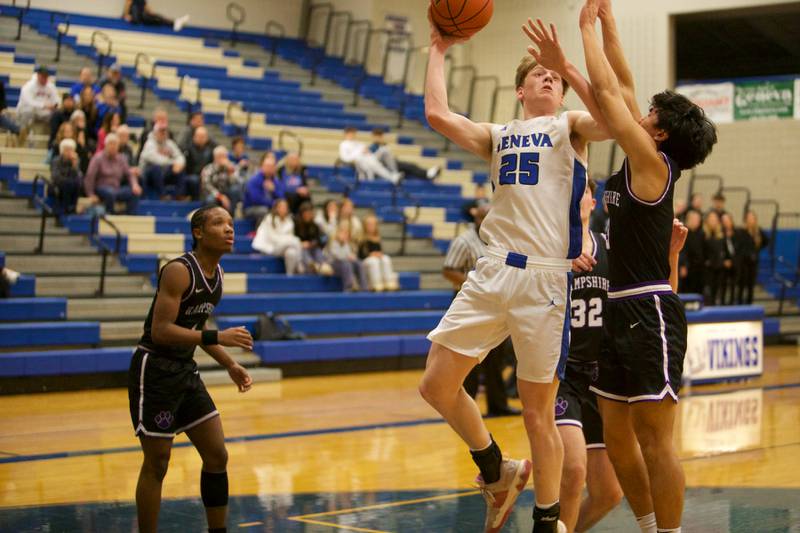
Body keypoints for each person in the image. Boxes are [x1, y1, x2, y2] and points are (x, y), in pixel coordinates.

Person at [419, 9, 609, 532]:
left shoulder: (570, 127)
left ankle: (547, 522)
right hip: (493, 267)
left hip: (545, 280)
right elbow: (437, 113)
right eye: (538, 76)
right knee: (436, 383)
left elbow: (613, 120)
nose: (547, 80)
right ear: (521, 92)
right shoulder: (498, 134)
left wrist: (567, 65)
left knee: (536, 413)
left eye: (553, 79)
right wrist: (438, 48)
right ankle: (497, 470)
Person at [579, 2, 717, 532]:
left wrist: (584, 28)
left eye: (651, 115)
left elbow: (611, 95)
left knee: (656, 441)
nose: (642, 113)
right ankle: (647, 525)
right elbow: (625, 83)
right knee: (617, 437)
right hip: (616, 310)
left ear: (658, 135)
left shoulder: (652, 165)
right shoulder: (642, 154)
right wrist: (610, 26)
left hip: (649, 308)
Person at [129, 205, 253, 533]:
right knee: (157, 463)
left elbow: (194, 328)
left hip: (185, 369)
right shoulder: (179, 270)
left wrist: (230, 363)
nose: (229, 229)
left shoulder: (218, 278)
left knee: (217, 456)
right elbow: (162, 330)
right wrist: (219, 336)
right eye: (218, 223)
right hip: (155, 368)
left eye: (230, 223)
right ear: (198, 232)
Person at [555, 179, 623, 533]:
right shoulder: (547, 251)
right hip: (562, 374)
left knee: (608, 492)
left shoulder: (610, 248)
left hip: (601, 380)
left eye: (581, 191)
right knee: (573, 470)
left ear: (592, 202)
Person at [443, 204, 519, 418]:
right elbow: (448, 270)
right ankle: (466, 406)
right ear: (477, 219)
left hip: (495, 303)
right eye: (484, 217)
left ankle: (498, 404)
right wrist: (476, 283)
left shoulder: (501, 240)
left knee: (495, 359)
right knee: (469, 358)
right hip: (470, 301)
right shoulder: (464, 241)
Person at [84, 133, 143, 215]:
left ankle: (130, 216)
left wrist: (134, 185)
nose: (113, 147)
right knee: (110, 193)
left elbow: (129, 174)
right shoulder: (97, 158)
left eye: (115, 145)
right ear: (106, 145)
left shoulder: (121, 159)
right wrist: (90, 194)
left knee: (134, 193)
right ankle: (111, 216)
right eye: (111, 144)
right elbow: (90, 176)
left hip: (116, 188)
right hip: (101, 188)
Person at [251, 199, 302, 275]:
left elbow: (290, 237)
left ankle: (290, 275)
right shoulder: (269, 219)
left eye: (285, 207)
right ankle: (300, 264)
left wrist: (287, 241)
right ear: (276, 208)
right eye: (281, 207)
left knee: (291, 252)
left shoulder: (289, 221)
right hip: (270, 248)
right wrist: (286, 241)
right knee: (295, 241)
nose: (284, 209)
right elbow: (272, 238)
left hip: (284, 248)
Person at [370, 128, 440, 181]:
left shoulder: (384, 145)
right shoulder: (372, 148)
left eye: (380, 136)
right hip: (384, 167)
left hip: (392, 164)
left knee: (411, 168)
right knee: (410, 167)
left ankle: (428, 174)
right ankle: (427, 174)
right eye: (377, 136)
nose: (379, 138)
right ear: (373, 136)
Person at [139, 123, 187, 200]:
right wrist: (173, 163)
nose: (163, 134)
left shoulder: (169, 143)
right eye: (161, 132)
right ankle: (162, 195)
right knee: (156, 168)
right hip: (148, 174)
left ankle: (179, 195)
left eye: (164, 131)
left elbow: (180, 156)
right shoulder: (149, 143)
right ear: (155, 133)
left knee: (180, 168)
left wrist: (179, 164)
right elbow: (155, 159)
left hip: (164, 172)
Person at [735, 211, 768, 305]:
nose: (751, 220)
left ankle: (749, 304)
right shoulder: (741, 231)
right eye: (749, 218)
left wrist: (758, 248)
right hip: (743, 262)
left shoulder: (758, 231)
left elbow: (766, 241)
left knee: (750, 285)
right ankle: (739, 304)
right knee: (741, 284)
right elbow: (738, 245)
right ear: (745, 220)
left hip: (753, 262)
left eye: (752, 218)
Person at [358, 215, 399, 291]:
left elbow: (380, 250)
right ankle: (376, 283)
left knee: (386, 258)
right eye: (369, 225)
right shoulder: (361, 238)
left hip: (375, 258)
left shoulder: (377, 238)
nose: (371, 227)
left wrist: (379, 254)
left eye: (373, 224)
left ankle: (389, 282)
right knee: (374, 261)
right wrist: (370, 255)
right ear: (365, 226)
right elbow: (360, 255)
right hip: (365, 260)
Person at [16, 66, 59, 133]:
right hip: (30, 111)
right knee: (27, 110)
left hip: (44, 112)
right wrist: (44, 105)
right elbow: (29, 102)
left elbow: (56, 99)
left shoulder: (51, 86)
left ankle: (53, 135)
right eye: (43, 76)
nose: (45, 79)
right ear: (38, 75)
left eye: (46, 77)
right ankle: (22, 132)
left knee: (57, 114)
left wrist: (55, 105)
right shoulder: (29, 86)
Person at [243, 153, 283, 226]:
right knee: (264, 211)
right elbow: (256, 199)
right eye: (267, 166)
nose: (270, 168)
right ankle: (259, 233)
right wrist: (273, 204)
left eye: (272, 167)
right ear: (262, 167)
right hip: (251, 208)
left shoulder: (276, 181)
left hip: (270, 207)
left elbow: (282, 198)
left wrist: (274, 190)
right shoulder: (254, 180)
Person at [201, 146, 242, 215]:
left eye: (224, 156)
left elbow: (237, 182)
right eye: (220, 156)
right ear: (215, 158)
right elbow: (206, 186)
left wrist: (230, 173)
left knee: (235, 190)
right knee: (210, 200)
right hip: (213, 194)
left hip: (226, 192)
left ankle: (230, 216)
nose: (223, 159)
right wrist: (220, 196)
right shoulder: (208, 169)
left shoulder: (231, 167)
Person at [326, 224, 367, 291]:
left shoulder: (347, 244)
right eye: (343, 234)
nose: (345, 236)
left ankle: (364, 286)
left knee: (359, 263)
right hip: (335, 264)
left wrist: (353, 257)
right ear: (337, 234)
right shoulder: (333, 243)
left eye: (347, 234)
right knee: (346, 263)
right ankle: (349, 286)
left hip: (346, 263)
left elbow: (350, 254)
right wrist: (348, 256)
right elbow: (338, 256)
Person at [295, 202, 333, 275]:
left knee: (317, 250)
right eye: (306, 213)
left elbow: (323, 238)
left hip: (313, 248)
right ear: (302, 214)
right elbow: (293, 238)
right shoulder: (296, 224)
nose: (308, 215)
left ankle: (322, 265)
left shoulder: (315, 225)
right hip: (300, 248)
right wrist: (301, 243)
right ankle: (311, 264)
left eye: (309, 213)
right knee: (304, 250)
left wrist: (314, 243)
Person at [50, 138, 83, 215]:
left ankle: (72, 208)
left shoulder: (75, 160)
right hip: (57, 185)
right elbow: (55, 176)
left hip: (71, 185)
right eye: (67, 150)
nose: (69, 152)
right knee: (69, 183)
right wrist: (67, 179)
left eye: (71, 150)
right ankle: (66, 209)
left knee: (76, 183)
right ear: (62, 151)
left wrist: (74, 165)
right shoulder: (56, 160)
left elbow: (78, 176)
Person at [678, 209, 705, 295]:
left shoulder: (701, 234)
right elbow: (681, 251)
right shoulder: (683, 232)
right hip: (688, 267)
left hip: (698, 267)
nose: (697, 222)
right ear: (688, 219)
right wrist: (683, 265)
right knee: (686, 289)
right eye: (694, 219)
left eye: (698, 220)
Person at [184, 126, 214, 200]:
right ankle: (195, 200)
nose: (201, 139)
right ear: (194, 137)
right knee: (194, 179)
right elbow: (186, 168)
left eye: (203, 136)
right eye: (199, 136)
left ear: (207, 138)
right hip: (192, 175)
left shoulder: (210, 151)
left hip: (206, 175)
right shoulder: (188, 150)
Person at [703, 211, 725, 306]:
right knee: (708, 290)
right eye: (711, 219)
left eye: (715, 219)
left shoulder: (720, 235)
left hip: (718, 268)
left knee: (717, 290)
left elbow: (723, 250)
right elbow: (701, 251)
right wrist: (706, 261)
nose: (713, 221)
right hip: (707, 269)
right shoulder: (703, 234)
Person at [123, 0, 190, 32]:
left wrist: (155, 15)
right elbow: (128, 4)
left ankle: (175, 22)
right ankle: (174, 22)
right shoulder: (132, 3)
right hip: (134, 16)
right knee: (142, 15)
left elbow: (148, 9)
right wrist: (126, 15)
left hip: (141, 16)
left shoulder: (143, 2)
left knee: (157, 17)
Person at [720, 213, 737, 305]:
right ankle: (722, 303)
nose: (726, 222)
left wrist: (733, 261)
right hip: (723, 263)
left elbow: (739, 249)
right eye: (723, 221)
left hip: (735, 263)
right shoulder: (720, 233)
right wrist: (724, 260)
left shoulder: (737, 233)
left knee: (733, 285)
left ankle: (732, 303)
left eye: (727, 220)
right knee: (723, 285)